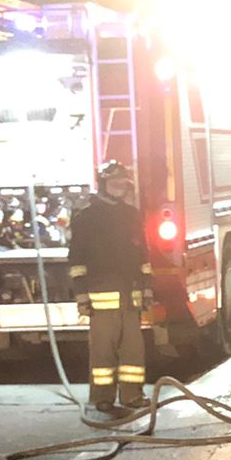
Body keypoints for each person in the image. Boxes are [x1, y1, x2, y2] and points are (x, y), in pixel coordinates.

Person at [67, 160, 150, 416]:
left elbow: (143, 255)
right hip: (101, 296)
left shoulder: (131, 215)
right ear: (103, 184)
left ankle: (132, 395)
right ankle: (102, 398)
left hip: (130, 296)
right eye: (114, 182)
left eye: (123, 183)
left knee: (133, 351)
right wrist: (81, 295)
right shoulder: (88, 216)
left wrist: (147, 289)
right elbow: (77, 259)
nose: (119, 187)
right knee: (103, 353)